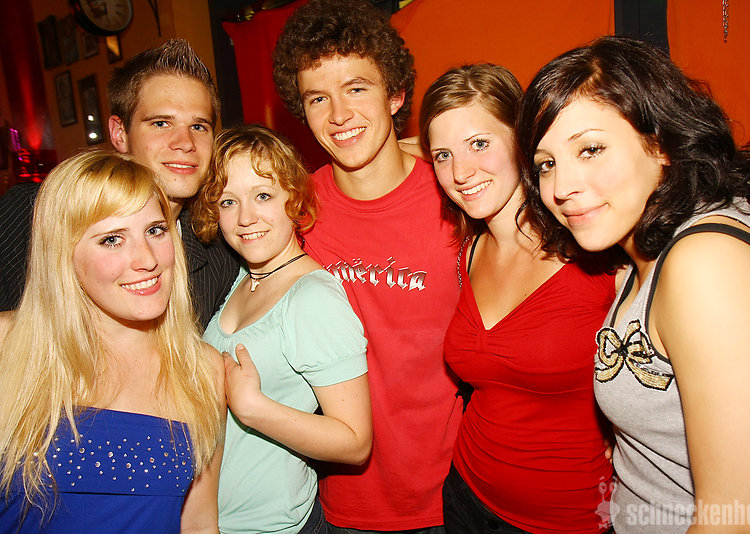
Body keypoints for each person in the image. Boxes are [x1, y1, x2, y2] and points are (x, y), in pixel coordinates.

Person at [517, 36, 750, 533]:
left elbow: (744, 524)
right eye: (547, 164)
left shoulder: (708, 265)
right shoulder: (645, 247)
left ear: (661, 143)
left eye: (591, 149)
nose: (561, 187)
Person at [272, 1, 462, 531]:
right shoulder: (291, 211)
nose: (338, 115)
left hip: (456, 495)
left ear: (395, 95)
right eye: (318, 98)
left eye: (356, 88)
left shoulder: (459, 197)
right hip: (342, 504)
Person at [418, 64, 615, 533]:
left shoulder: (595, 250)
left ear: (523, 141)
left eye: (479, 144)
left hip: (570, 518)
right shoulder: (468, 252)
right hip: (466, 495)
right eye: (443, 155)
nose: (460, 172)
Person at [0, 150, 225, 532]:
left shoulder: (201, 369)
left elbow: (199, 524)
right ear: (62, 253)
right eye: (112, 239)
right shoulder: (8, 345)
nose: (147, 259)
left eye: (155, 230)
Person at [193, 124, 372, 534]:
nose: (245, 218)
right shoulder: (244, 276)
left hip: (273, 526)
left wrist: (254, 408)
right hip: (216, 520)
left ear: (293, 198)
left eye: (263, 196)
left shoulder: (312, 298)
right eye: (228, 201)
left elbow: (355, 441)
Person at [0, 39, 238, 327]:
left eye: (198, 126)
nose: (185, 143)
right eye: (161, 123)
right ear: (119, 133)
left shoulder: (220, 255)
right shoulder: (31, 214)